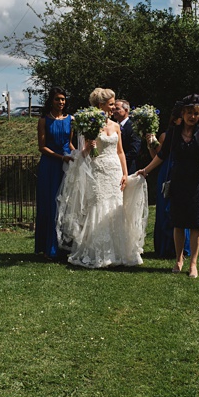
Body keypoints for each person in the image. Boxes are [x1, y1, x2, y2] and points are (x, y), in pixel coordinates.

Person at [56, 87, 146, 269]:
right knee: (98, 205)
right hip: (97, 171)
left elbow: (120, 151)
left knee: (116, 206)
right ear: (101, 105)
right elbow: (83, 154)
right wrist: (88, 147)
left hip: (114, 170)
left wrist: (124, 174)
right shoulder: (88, 126)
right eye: (111, 104)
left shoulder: (115, 126)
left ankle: (119, 252)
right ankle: (98, 252)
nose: (113, 107)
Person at [137, 94, 199, 277]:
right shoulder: (173, 133)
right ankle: (178, 259)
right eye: (189, 113)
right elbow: (162, 155)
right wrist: (146, 170)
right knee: (178, 222)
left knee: (195, 224)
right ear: (182, 113)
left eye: (196, 113)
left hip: (197, 181)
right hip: (178, 180)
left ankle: (193, 263)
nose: (192, 116)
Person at [34, 87, 74, 261]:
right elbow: (42, 147)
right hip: (50, 165)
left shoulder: (70, 119)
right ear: (51, 100)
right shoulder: (44, 120)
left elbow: (70, 143)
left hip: (67, 164)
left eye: (63, 99)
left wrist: (77, 156)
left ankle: (64, 246)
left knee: (66, 204)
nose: (61, 102)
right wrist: (60, 157)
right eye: (58, 99)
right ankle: (48, 247)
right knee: (50, 204)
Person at [148, 109, 191, 259]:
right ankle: (165, 247)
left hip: (182, 172)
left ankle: (182, 249)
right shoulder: (166, 136)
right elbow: (158, 156)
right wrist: (150, 145)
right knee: (165, 209)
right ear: (175, 120)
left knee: (180, 210)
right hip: (167, 172)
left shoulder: (189, 135)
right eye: (181, 119)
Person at [113, 99, 142, 177]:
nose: (114, 111)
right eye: (113, 109)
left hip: (128, 167)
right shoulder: (112, 126)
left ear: (126, 110)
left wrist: (119, 160)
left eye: (117, 109)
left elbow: (134, 150)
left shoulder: (133, 127)